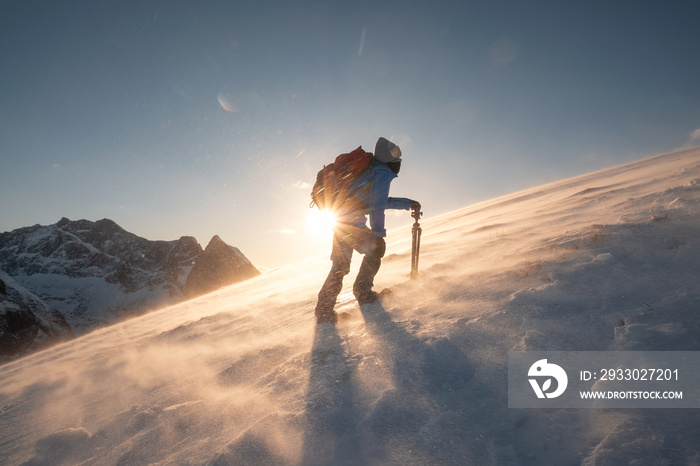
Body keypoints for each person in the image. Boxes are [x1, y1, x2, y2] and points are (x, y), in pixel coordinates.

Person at [315, 137, 420, 324]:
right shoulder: (382, 172)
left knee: (340, 267)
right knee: (376, 251)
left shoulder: (370, 171)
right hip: (351, 225)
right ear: (390, 159)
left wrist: (407, 203)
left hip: (339, 222)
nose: (399, 162)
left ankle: (324, 309)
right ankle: (363, 292)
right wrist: (378, 235)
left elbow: (375, 201)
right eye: (397, 158)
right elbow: (378, 206)